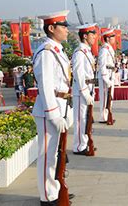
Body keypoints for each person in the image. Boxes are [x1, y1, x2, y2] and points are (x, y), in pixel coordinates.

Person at [32, 10, 74, 205]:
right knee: (47, 155)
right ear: (51, 28)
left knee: (56, 155)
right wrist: (54, 115)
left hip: (61, 105)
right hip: (50, 109)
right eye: (63, 26)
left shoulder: (57, 50)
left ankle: (54, 190)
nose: (66, 30)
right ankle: (47, 197)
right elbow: (46, 85)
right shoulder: (46, 52)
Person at [71, 23, 97, 155]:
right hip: (82, 90)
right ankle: (79, 146)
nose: (95, 37)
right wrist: (85, 93)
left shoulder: (87, 51)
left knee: (86, 118)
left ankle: (85, 142)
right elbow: (79, 74)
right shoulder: (79, 52)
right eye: (92, 34)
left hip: (88, 87)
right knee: (81, 119)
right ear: (85, 36)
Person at [97, 28, 116, 123]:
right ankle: (103, 117)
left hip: (110, 73)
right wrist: (105, 78)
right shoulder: (104, 49)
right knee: (105, 96)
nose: (114, 38)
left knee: (109, 97)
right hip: (106, 75)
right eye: (112, 36)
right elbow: (102, 64)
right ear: (107, 38)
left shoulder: (109, 48)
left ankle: (108, 114)